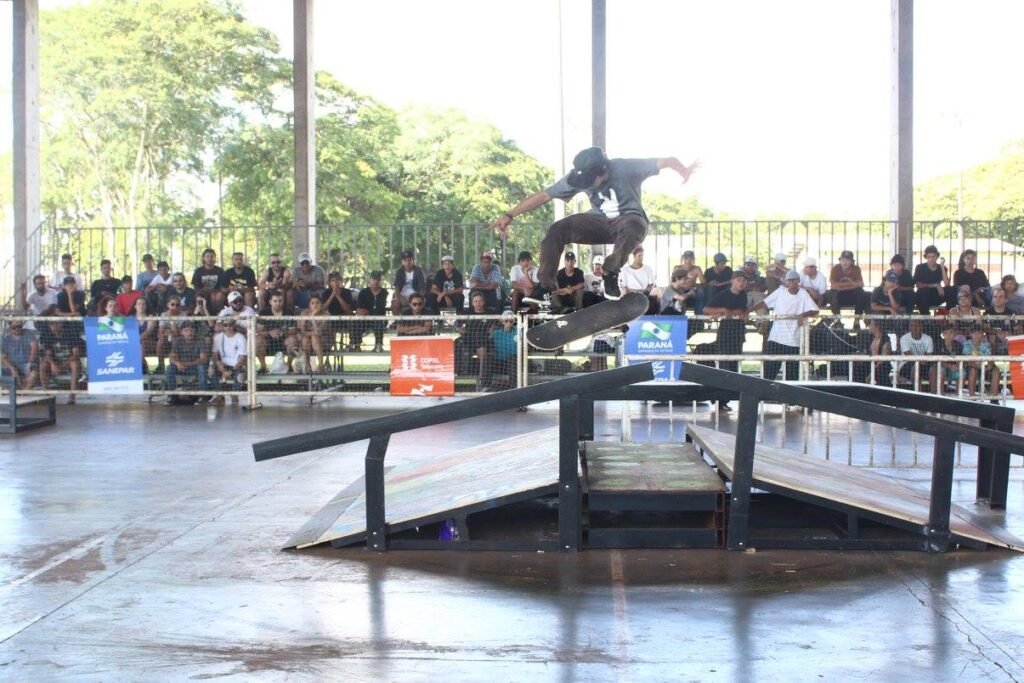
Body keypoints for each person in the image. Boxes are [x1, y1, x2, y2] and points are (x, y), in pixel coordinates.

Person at [490, 146, 698, 297]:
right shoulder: (578, 177)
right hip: (598, 221)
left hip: (629, 219)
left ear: (603, 171)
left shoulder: (627, 167)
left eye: (592, 181)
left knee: (634, 226)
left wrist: (684, 170)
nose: (589, 186)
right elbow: (544, 195)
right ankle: (545, 285)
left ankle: (610, 273)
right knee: (557, 229)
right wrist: (510, 215)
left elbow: (667, 160)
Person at [750, 269, 818, 381]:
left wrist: (803, 314)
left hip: (794, 341)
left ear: (798, 281)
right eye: (789, 281)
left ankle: (790, 398)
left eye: (794, 280)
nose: (791, 283)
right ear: (786, 282)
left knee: (792, 377)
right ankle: (764, 396)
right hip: (776, 338)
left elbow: (815, 310)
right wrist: (749, 310)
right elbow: (764, 303)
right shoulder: (780, 291)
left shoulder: (803, 294)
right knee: (768, 373)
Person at [696, 271, 750, 411]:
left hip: (737, 336)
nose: (742, 283)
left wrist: (739, 313)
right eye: (739, 280)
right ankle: (720, 400)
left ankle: (727, 399)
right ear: (732, 281)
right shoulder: (723, 294)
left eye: (744, 281)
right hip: (725, 335)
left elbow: (741, 311)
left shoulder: (743, 295)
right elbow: (706, 309)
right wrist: (723, 310)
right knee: (724, 366)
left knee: (734, 367)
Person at [37, 319, 83, 403]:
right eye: (51, 324)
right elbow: (48, 354)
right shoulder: (47, 335)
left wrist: (62, 366)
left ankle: (72, 395)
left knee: (75, 364)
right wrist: (53, 364)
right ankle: (46, 395)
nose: (54, 326)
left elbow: (76, 354)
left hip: (68, 361)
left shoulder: (70, 334)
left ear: (61, 324)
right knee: (42, 365)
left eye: (56, 323)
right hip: (55, 361)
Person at [165, 322, 209, 405]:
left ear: (194, 331)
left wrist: (188, 364)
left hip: (194, 367)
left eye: (191, 330)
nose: (189, 333)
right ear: (182, 332)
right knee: (170, 368)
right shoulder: (178, 341)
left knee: (201, 368)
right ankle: (173, 396)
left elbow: (203, 358)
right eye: (186, 331)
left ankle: (203, 396)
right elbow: (172, 356)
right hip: (181, 367)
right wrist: (178, 363)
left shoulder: (200, 340)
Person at [255, 290, 298, 373]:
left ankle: (289, 366)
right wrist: (269, 333)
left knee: (293, 340)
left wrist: (283, 332)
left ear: (283, 301)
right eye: (275, 301)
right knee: (257, 340)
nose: (278, 303)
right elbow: (259, 331)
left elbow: (293, 330)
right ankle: (263, 367)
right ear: (270, 302)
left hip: (284, 341)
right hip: (268, 341)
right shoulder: (264, 312)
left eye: (280, 301)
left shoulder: (289, 312)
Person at [455, 292, 494, 385]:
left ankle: (482, 380)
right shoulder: (467, 312)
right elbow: (456, 323)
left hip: (483, 339)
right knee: (455, 343)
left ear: (484, 302)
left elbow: (495, 326)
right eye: (475, 301)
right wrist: (459, 328)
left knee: (483, 352)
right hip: (468, 338)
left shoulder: (490, 313)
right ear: (472, 303)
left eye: (480, 301)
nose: (478, 303)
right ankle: (458, 375)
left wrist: (493, 329)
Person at [211, 317, 247, 402]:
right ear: (222, 326)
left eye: (230, 325)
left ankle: (234, 394)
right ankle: (219, 395)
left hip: (237, 365)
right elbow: (214, 354)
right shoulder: (218, 338)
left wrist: (231, 371)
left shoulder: (240, 337)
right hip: (223, 364)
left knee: (240, 377)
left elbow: (242, 358)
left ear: (234, 325)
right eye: (225, 325)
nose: (228, 327)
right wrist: (220, 366)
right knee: (211, 371)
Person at [352, 270, 388, 352]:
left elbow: (380, 309)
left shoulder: (384, 293)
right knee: (356, 322)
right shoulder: (363, 292)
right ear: (370, 280)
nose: (376, 281)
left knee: (379, 322)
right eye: (374, 279)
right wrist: (365, 312)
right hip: (365, 319)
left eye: (378, 279)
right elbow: (359, 308)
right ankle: (356, 345)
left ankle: (378, 345)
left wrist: (368, 312)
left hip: (379, 319)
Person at [828, 250, 868, 319]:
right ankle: (837, 321)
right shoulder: (835, 269)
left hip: (852, 295)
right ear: (840, 261)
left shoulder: (856, 269)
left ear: (852, 262)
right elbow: (834, 285)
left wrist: (841, 286)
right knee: (832, 294)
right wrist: (852, 283)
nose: (845, 262)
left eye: (847, 260)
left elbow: (861, 284)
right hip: (839, 295)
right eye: (843, 260)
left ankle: (857, 320)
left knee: (863, 294)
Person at [618, 246, 659, 314]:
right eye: (639, 256)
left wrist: (643, 292)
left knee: (656, 292)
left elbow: (651, 284)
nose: (641, 258)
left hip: (645, 294)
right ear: (634, 256)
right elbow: (623, 287)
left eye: (642, 255)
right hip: (631, 295)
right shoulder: (625, 270)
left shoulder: (647, 268)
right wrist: (634, 292)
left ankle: (658, 314)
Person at [961, 325, 1000, 396]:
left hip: (985, 368)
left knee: (996, 370)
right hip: (971, 367)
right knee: (973, 370)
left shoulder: (986, 344)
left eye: (978, 333)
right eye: (974, 333)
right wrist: (980, 367)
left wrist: (990, 365)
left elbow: (990, 357)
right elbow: (968, 361)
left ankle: (994, 397)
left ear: (982, 334)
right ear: (970, 334)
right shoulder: (966, 344)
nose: (976, 335)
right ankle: (972, 396)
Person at [897, 319, 935, 390]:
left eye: (917, 325)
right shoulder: (904, 338)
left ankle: (934, 396)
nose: (914, 328)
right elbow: (909, 356)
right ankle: (919, 395)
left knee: (934, 369)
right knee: (916, 367)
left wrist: (923, 360)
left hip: (924, 365)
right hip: (907, 365)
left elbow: (928, 357)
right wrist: (922, 360)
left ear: (921, 327)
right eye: (912, 325)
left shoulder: (928, 339)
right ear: (909, 327)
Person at [1, 320, 39, 390]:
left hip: (26, 363)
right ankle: (14, 391)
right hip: (13, 365)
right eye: (14, 327)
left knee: (34, 373)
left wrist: (30, 362)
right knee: (5, 372)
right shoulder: (6, 339)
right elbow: (3, 357)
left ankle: (24, 391)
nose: (17, 329)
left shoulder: (28, 334)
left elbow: (34, 346)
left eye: (19, 326)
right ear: (10, 328)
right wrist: (11, 367)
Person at [913, 245, 951, 314]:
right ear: (926, 257)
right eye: (929, 257)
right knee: (922, 292)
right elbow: (918, 285)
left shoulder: (941, 268)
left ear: (937, 257)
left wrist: (942, 267)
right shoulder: (920, 268)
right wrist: (935, 285)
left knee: (951, 290)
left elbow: (947, 284)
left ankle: (949, 316)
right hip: (924, 296)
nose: (931, 259)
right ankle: (926, 320)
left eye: (933, 256)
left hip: (938, 295)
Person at [156, 295, 189, 372]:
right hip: (166, 338)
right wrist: (166, 332)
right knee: (160, 342)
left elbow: (182, 332)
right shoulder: (164, 315)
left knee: (175, 339)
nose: (175, 307)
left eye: (177, 305)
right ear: (168, 305)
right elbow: (160, 331)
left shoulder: (183, 315)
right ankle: (161, 366)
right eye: (172, 304)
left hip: (179, 339)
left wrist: (172, 325)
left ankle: (174, 367)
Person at [486, 310, 518, 390]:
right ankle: (485, 385)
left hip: (512, 362)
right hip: (499, 361)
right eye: (506, 321)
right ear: (502, 322)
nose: (508, 323)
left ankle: (513, 387)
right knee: (487, 358)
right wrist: (489, 334)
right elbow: (488, 344)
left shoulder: (518, 332)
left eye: (511, 321)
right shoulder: (495, 333)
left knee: (513, 359)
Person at [298, 293, 331, 370]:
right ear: (309, 305)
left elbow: (319, 332)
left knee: (314, 337)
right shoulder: (304, 313)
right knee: (305, 339)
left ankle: (321, 365)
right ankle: (307, 365)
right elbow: (302, 332)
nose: (315, 305)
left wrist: (312, 318)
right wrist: (311, 333)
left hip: (324, 340)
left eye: (317, 302)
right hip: (307, 340)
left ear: (321, 304)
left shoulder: (326, 315)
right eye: (312, 303)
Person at [391, 249, 427, 315]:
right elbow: (397, 287)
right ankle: (397, 322)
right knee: (395, 302)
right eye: (405, 260)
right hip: (403, 296)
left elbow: (422, 287)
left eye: (409, 260)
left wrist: (418, 298)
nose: (408, 262)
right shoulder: (399, 272)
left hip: (415, 295)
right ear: (402, 262)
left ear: (413, 261)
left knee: (422, 302)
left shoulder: (418, 270)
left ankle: (419, 322)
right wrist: (399, 299)